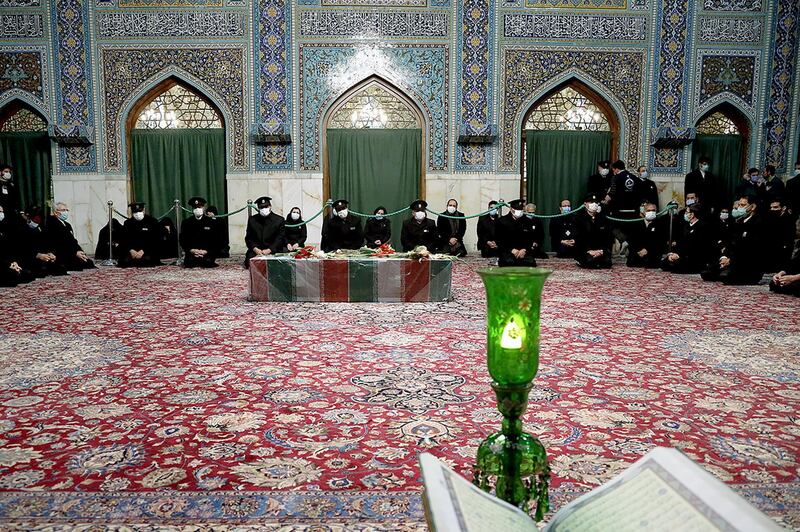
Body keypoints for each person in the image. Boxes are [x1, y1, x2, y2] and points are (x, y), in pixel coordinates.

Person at [701, 195, 764, 285]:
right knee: (706, 273)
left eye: (742, 205)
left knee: (726, 276)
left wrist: (731, 260)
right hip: (732, 258)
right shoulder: (738, 222)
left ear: (753, 207)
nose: (739, 208)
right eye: (739, 205)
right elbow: (729, 242)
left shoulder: (758, 223)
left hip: (746, 262)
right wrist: (724, 257)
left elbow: (749, 249)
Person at [43, 202, 96, 271]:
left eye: (66, 210)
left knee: (88, 262)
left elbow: (73, 241)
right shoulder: (51, 224)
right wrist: (75, 253)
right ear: (56, 212)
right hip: (60, 253)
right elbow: (59, 243)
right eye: (63, 210)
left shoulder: (67, 225)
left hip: (71, 252)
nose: (65, 212)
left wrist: (79, 251)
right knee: (76, 265)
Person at [18, 205, 66, 277]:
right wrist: (37, 255)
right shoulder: (19, 227)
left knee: (59, 267)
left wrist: (49, 253)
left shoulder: (39, 227)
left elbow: (45, 242)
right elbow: (21, 247)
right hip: (28, 257)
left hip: (41, 255)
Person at [661, 204, 709, 274]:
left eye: (686, 212)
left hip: (694, 257)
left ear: (692, 215)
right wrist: (674, 253)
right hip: (682, 254)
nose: (685, 214)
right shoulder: (686, 226)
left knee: (676, 266)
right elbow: (681, 243)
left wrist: (679, 255)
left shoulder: (702, 227)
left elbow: (695, 247)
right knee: (664, 262)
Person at [573, 192, 613, 269]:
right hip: (585, 251)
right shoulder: (578, 219)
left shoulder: (603, 218)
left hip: (600, 250)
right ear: (585, 204)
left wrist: (601, 251)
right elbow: (578, 238)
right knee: (590, 263)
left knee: (607, 263)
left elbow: (608, 237)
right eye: (591, 202)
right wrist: (589, 251)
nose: (594, 204)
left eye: (595, 202)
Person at [244, 196, 286, 267]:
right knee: (250, 264)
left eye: (266, 206)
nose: (264, 209)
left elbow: (280, 238)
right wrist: (255, 249)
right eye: (261, 207)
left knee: (276, 265)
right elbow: (248, 238)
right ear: (258, 208)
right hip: (257, 250)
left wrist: (270, 249)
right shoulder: (252, 220)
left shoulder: (279, 220)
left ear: (270, 206)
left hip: (273, 250)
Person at [181, 196, 220, 268]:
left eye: (199, 207)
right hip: (192, 253)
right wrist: (192, 250)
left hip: (207, 253)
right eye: (195, 208)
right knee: (190, 263)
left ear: (204, 208)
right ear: (192, 209)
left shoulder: (211, 222)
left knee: (207, 263)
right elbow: (183, 240)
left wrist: (206, 251)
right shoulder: (186, 222)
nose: (197, 209)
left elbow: (215, 240)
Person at [119, 202, 161, 268]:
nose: (137, 214)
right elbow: (124, 239)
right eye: (135, 212)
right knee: (124, 261)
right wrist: (131, 250)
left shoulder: (152, 222)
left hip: (147, 251)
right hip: (132, 252)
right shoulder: (128, 223)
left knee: (147, 260)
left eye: (140, 211)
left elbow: (156, 239)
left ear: (144, 210)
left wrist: (143, 251)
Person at [0, 205, 34, 287]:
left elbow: (7, 250)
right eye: (0, 212)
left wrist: (13, 262)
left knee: (27, 273)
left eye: (2, 212)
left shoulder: (3, 228)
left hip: (6, 262)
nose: (2, 214)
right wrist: (8, 265)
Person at [496, 199, 536, 267]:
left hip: (523, 251)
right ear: (511, 209)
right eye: (517, 209)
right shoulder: (502, 221)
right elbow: (499, 240)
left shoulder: (527, 221)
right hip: (508, 251)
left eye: (520, 210)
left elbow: (530, 239)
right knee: (508, 262)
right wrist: (511, 250)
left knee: (531, 262)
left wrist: (524, 250)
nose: (519, 212)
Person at [626, 203, 666, 268]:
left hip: (652, 252)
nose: (651, 212)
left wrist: (647, 250)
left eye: (653, 210)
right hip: (638, 251)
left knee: (652, 262)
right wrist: (639, 250)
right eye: (648, 211)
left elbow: (660, 241)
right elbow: (632, 239)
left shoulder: (660, 224)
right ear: (644, 212)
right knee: (632, 261)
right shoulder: (636, 223)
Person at [763, 198, 795, 272]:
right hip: (772, 247)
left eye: (775, 207)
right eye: (771, 207)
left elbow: (790, 235)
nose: (772, 209)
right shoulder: (770, 217)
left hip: (784, 248)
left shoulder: (789, 219)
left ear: (783, 208)